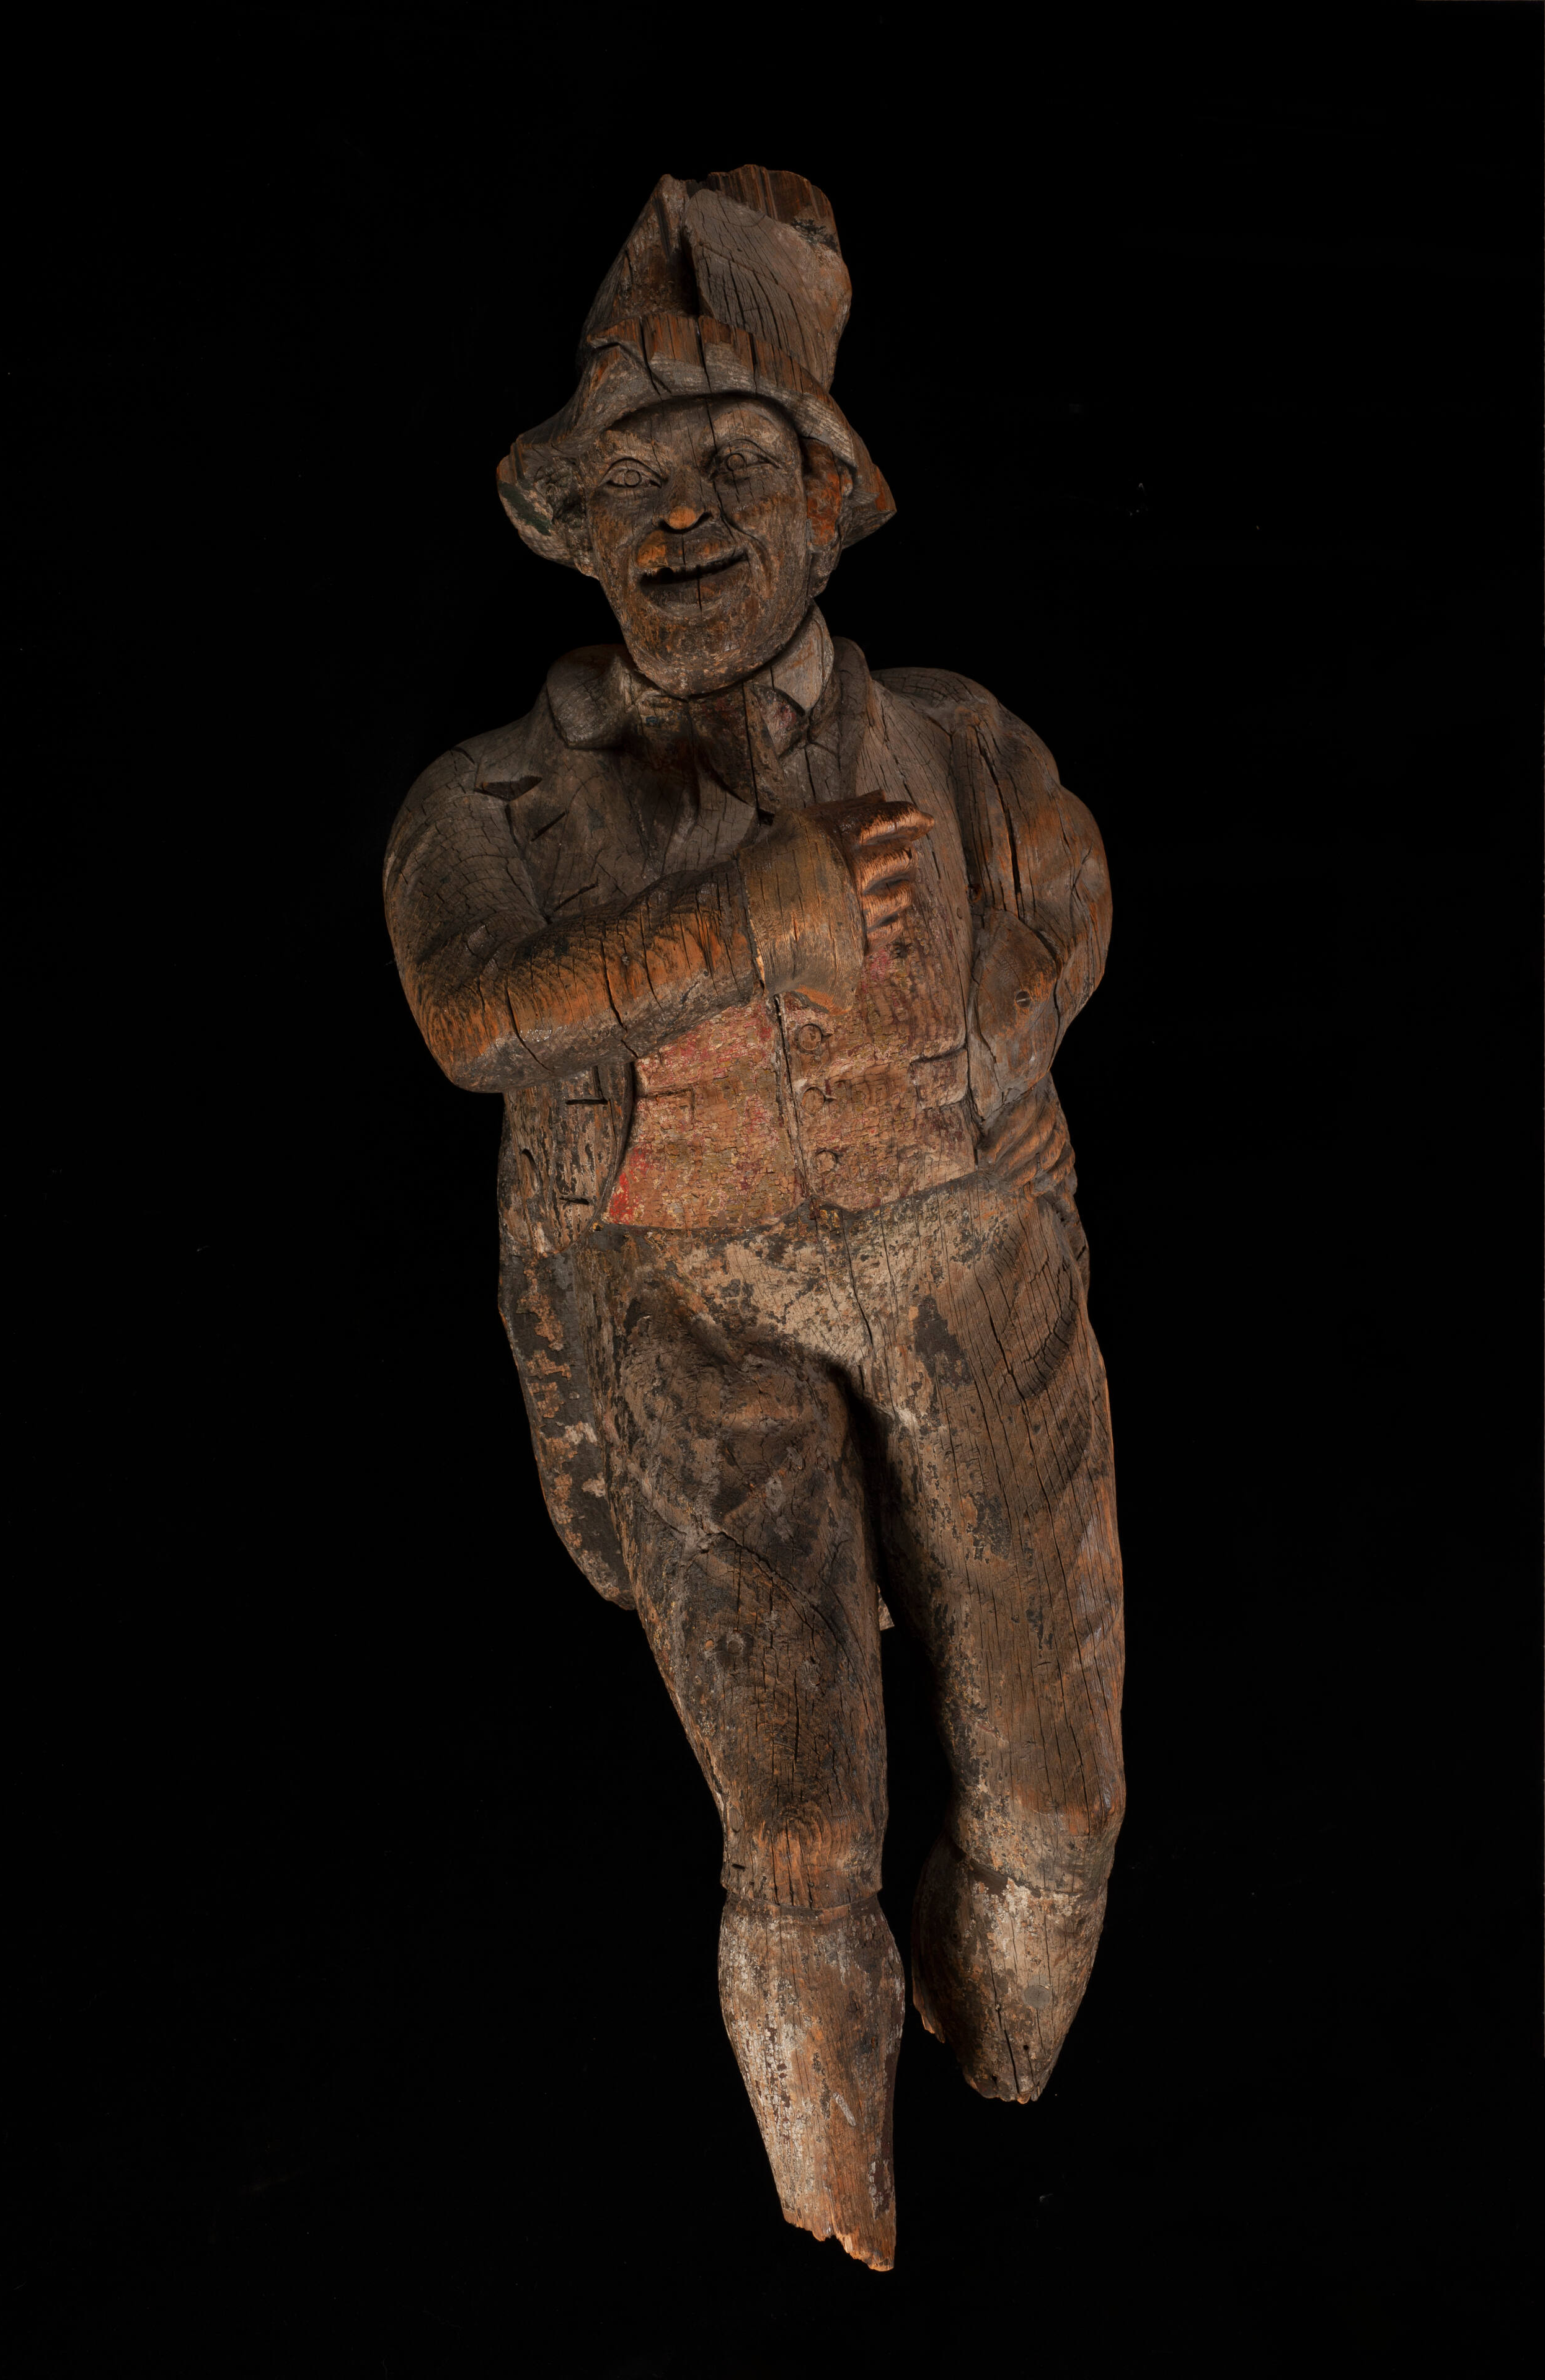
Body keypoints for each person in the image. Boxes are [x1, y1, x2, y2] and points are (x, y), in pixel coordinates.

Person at [383, 165, 1123, 2270]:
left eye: (730, 465)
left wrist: (1004, 1046)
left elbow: (1068, 891)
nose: (682, 518)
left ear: (828, 504)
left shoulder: (957, 740)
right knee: (796, 1831)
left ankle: (1008, 2068)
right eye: (631, 484)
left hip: (971, 1271)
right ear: (570, 530)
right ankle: (835, 2208)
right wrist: (739, 923)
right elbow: (470, 1015)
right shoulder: (494, 804)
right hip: (688, 1306)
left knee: (1052, 1796)